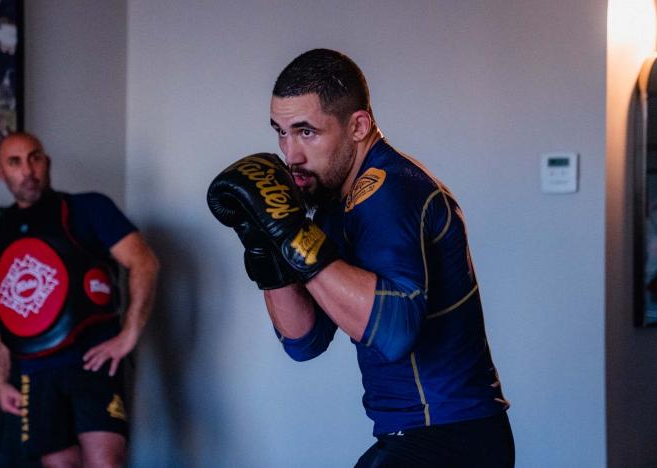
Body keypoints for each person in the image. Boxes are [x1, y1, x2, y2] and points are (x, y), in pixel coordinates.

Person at [207, 49, 514, 467]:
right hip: (415, 434)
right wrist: (264, 246)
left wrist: (291, 233)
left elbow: (394, 331)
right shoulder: (336, 203)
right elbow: (304, 340)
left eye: (306, 132)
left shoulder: (389, 191)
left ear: (358, 126)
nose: (290, 153)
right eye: (280, 132)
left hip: (451, 436)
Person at [0, 132, 159, 467]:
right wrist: (0, 377)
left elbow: (144, 261)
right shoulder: (2, 230)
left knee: (106, 462)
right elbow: (6, 309)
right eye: (15, 161)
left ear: (47, 162)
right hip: (35, 371)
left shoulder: (89, 208)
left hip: (92, 360)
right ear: (1, 172)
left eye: (34, 157)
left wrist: (129, 334)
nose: (28, 169)